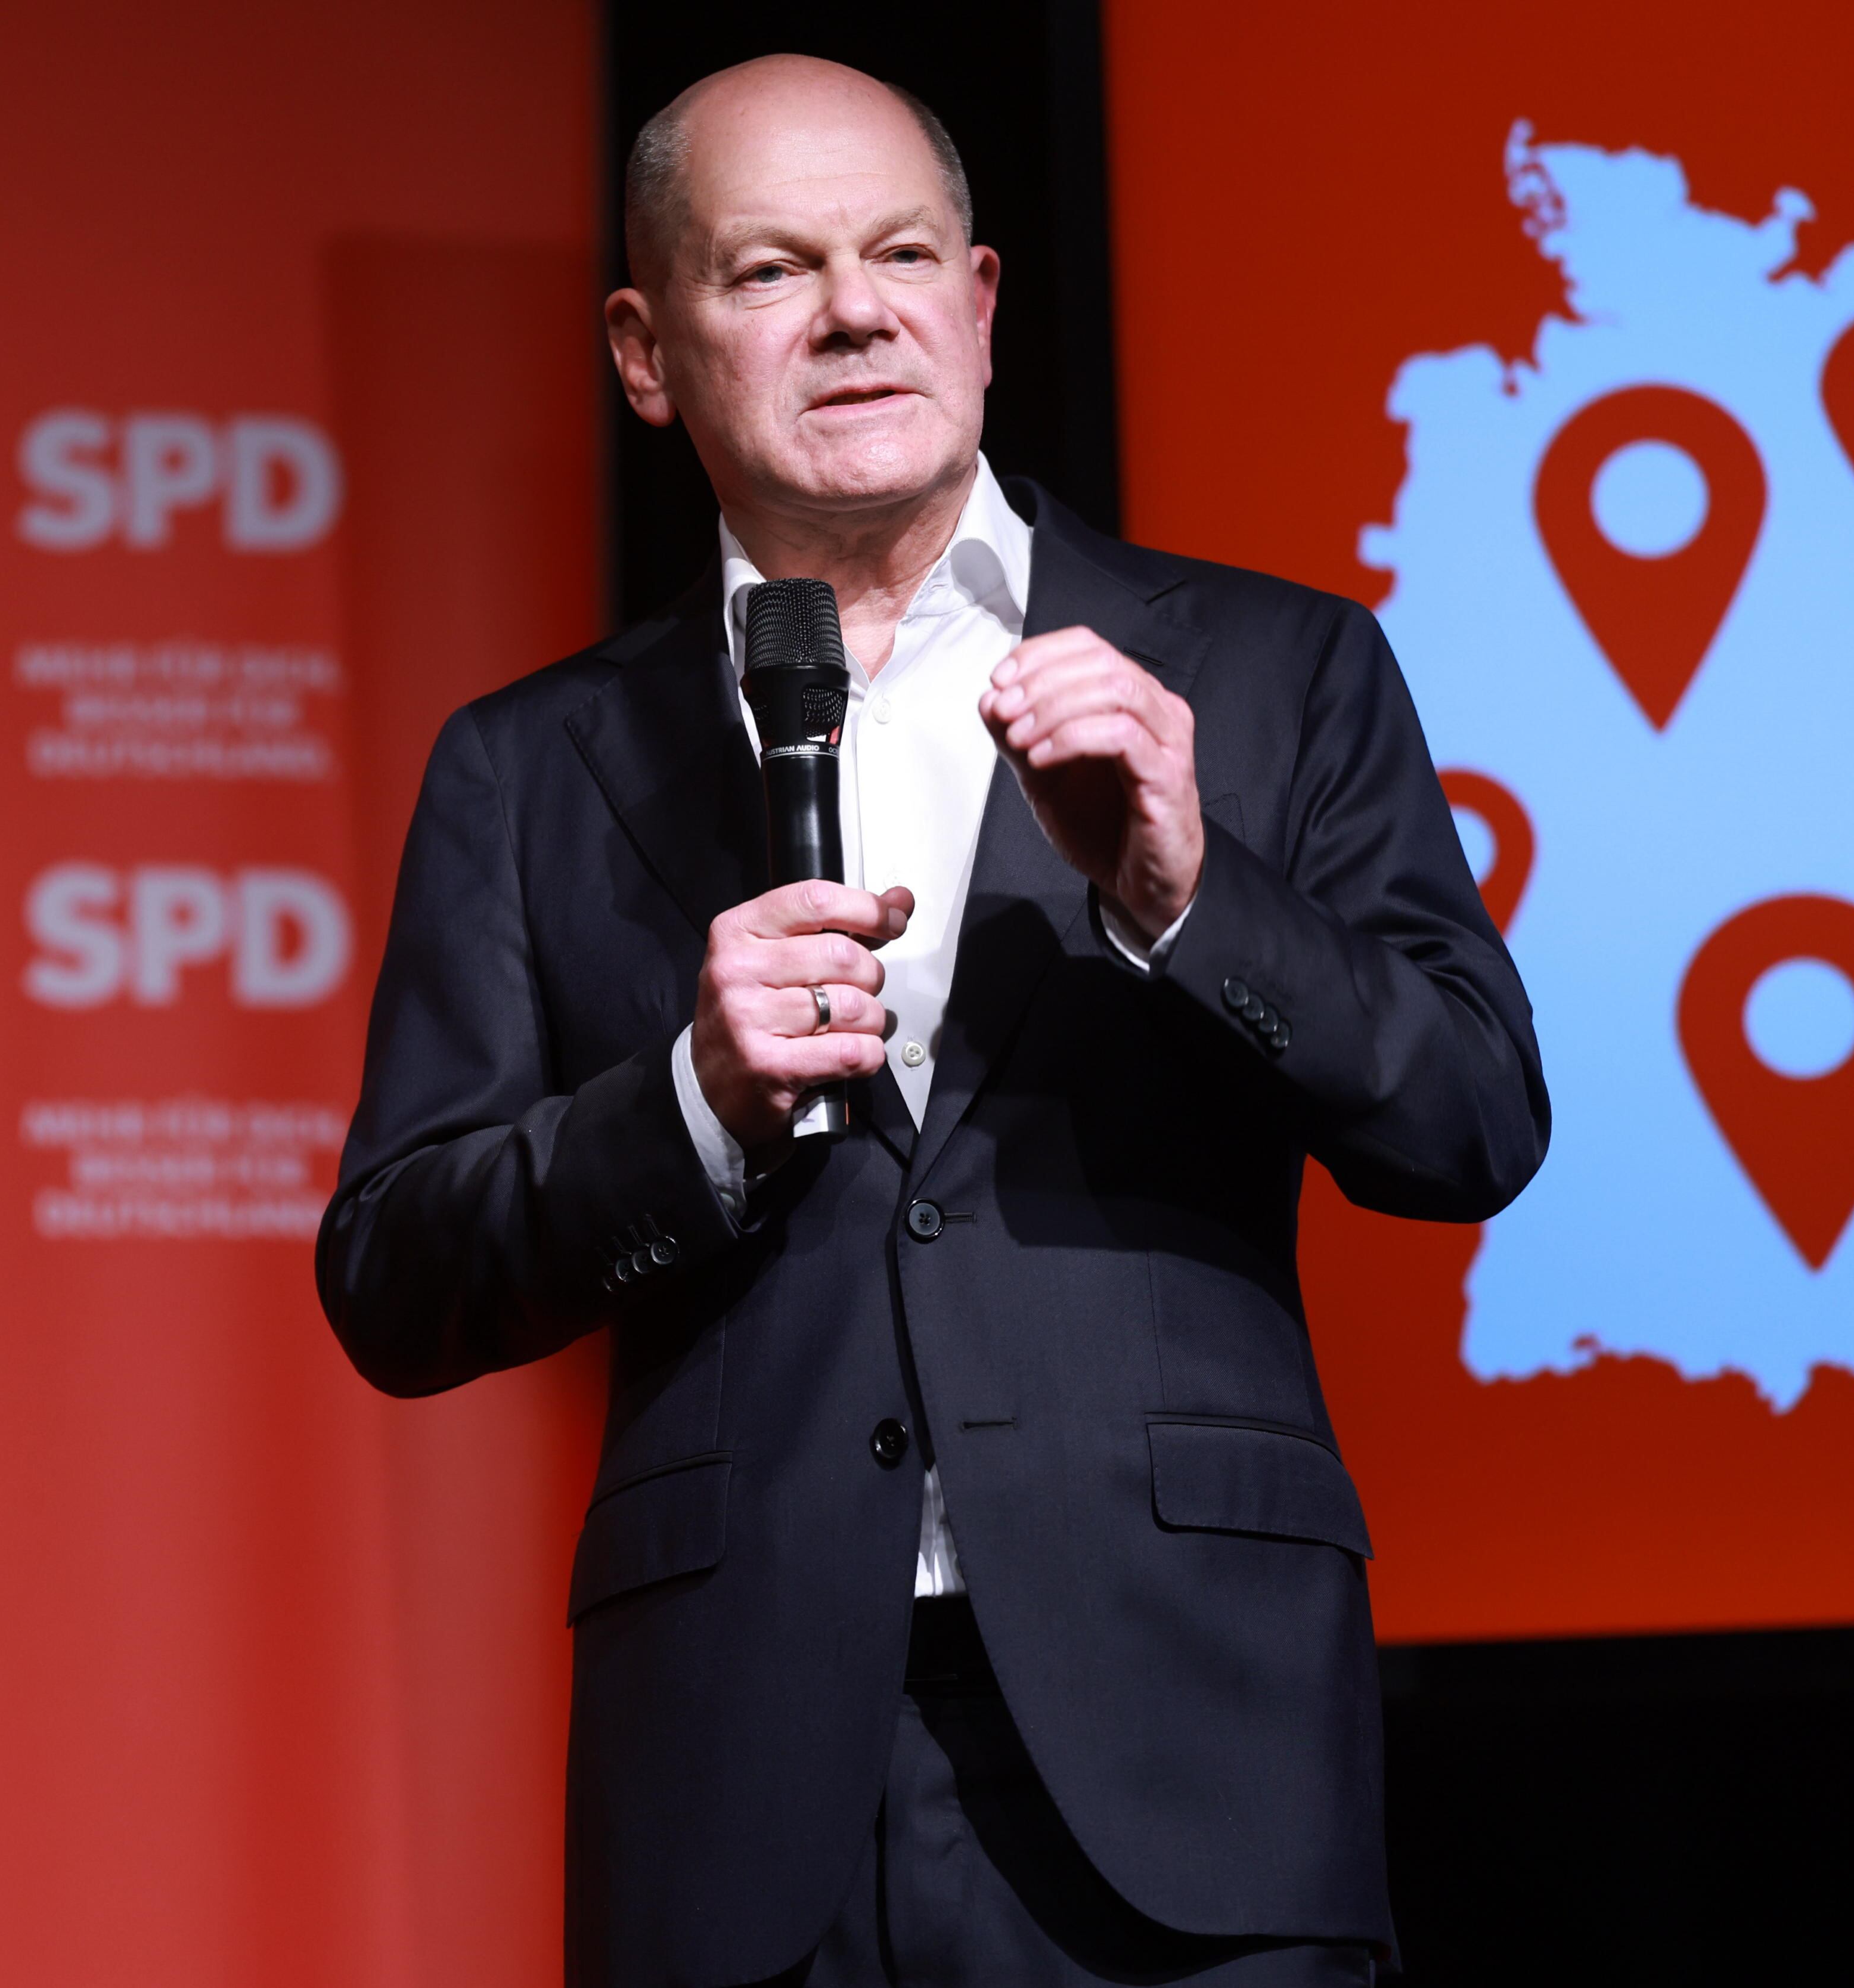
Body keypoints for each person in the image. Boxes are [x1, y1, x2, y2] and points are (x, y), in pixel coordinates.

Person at [318, 53, 1547, 1988]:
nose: (855, 313)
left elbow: (1471, 1121)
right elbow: (395, 1273)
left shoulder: (1270, 667)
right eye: (771, 270)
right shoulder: (530, 766)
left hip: (1190, 1739)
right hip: (741, 1774)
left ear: (979, 304)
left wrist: (1187, 896)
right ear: (645, 355)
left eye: (900, 255)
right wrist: (690, 1103)